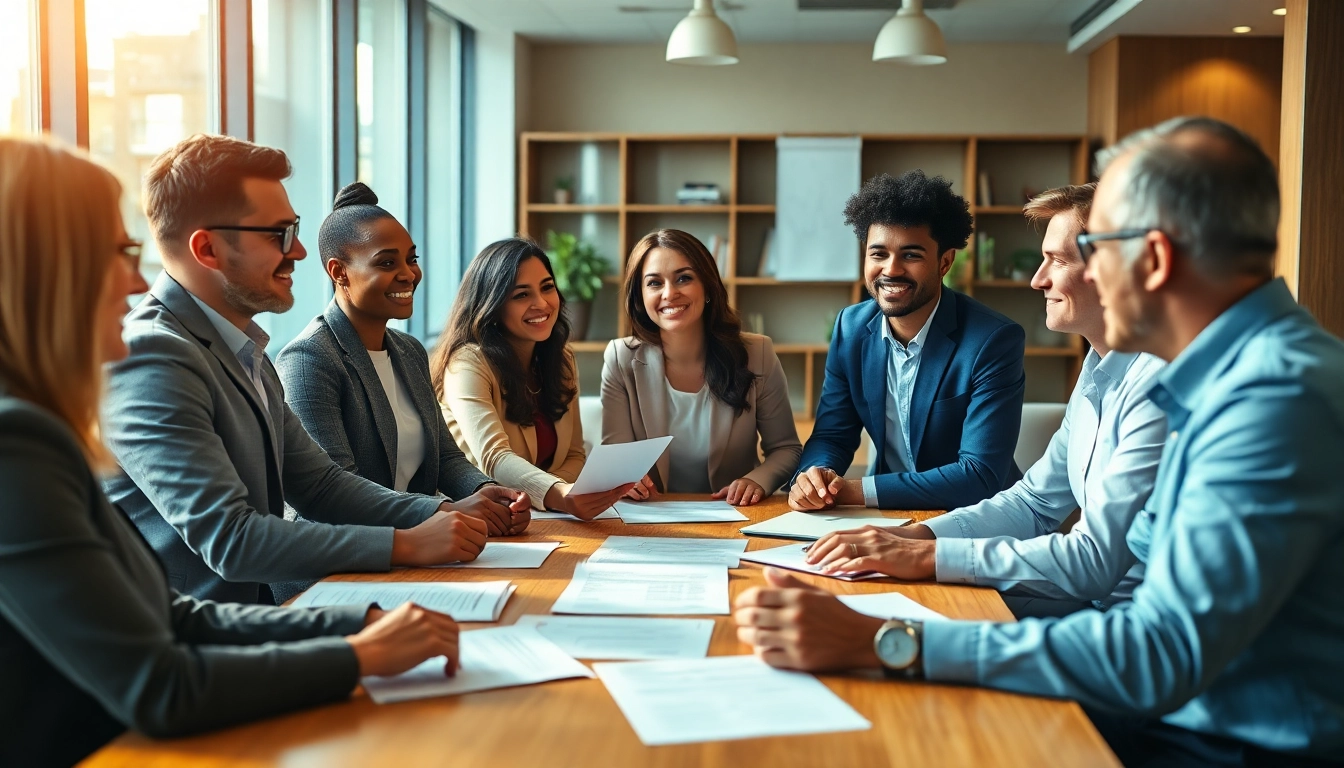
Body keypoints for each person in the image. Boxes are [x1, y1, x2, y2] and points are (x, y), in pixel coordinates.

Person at [736, 117, 1344, 766]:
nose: (1039, 280)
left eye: (1090, 248)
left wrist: (888, 641)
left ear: (1155, 258)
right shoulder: (1212, 372)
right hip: (1176, 704)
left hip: (1220, 740)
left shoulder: (1269, 398)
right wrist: (915, 548)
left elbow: (1157, 652)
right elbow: (1041, 507)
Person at [0, 136, 461, 767]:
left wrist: (356, 625)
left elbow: (170, 615)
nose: (136, 280)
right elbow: (164, 678)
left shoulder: (243, 349)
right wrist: (362, 651)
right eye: (116, 253)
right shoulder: (23, 438)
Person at [102, 134, 495, 606]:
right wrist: (406, 543)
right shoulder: (150, 355)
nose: (300, 252)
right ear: (206, 250)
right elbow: (233, 541)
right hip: (206, 650)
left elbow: (320, 485)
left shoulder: (245, 349)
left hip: (273, 619)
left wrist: (440, 512)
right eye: (278, 234)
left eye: (296, 229)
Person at [804, 184, 1167, 619]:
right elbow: (1033, 502)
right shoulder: (1095, 371)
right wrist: (915, 540)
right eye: (878, 252)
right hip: (1081, 597)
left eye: (1057, 260)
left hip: (1131, 617)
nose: (1038, 279)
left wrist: (925, 556)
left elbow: (1094, 562)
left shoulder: (1157, 386)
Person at [277, 182, 529, 537]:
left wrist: (485, 493)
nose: (409, 274)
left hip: (416, 545)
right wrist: (443, 510)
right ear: (339, 272)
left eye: (411, 259)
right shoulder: (309, 360)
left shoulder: (409, 351)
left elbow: (446, 458)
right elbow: (336, 492)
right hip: (340, 563)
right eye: (386, 262)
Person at [790, 170, 1026, 512]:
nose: (891, 270)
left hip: (975, 518)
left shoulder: (992, 340)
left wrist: (851, 491)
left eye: (911, 255)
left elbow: (979, 474)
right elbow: (832, 434)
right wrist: (814, 477)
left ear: (944, 262)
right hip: (889, 512)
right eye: (878, 254)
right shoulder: (851, 328)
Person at [432, 237, 634, 519]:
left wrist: (555, 495)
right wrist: (559, 495)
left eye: (547, 287)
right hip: (481, 518)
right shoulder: (467, 363)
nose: (541, 303)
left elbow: (575, 454)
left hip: (541, 516)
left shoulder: (561, 359)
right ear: (492, 305)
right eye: (521, 295)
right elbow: (494, 459)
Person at [601, 229, 802, 505]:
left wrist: (757, 480)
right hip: (652, 515)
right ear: (640, 297)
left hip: (733, 513)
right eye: (654, 283)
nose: (670, 293)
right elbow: (617, 457)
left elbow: (786, 449)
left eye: (684, 278)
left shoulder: (758, 354)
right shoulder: (620, 357)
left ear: (707, 286)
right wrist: (624, 477)